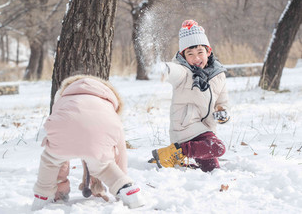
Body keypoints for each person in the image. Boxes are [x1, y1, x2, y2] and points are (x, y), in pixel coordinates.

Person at [32, 75, 144, 211]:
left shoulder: (64, 98)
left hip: (62, 127)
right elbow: (121, 152)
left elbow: (63, 161)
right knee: (103, 165)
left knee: (52, 160)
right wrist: (123, 175)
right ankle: (127, 189)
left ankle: (43, 195)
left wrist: (61, 186)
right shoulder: (108, 106)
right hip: (102, 129)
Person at [151, 20, 230, 172]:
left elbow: (223, 101)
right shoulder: (184, 73)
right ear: (183, 56)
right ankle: (175, 153)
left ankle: (179, 158)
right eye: (190, 54)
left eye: (200, 52)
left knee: (213, 170)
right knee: (218, 148)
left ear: (208, 51)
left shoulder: (218, 75)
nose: (196, 58)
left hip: (205, 131)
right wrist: (164, 69)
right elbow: (173, 71)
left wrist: (222, 111)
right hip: (184, 129)